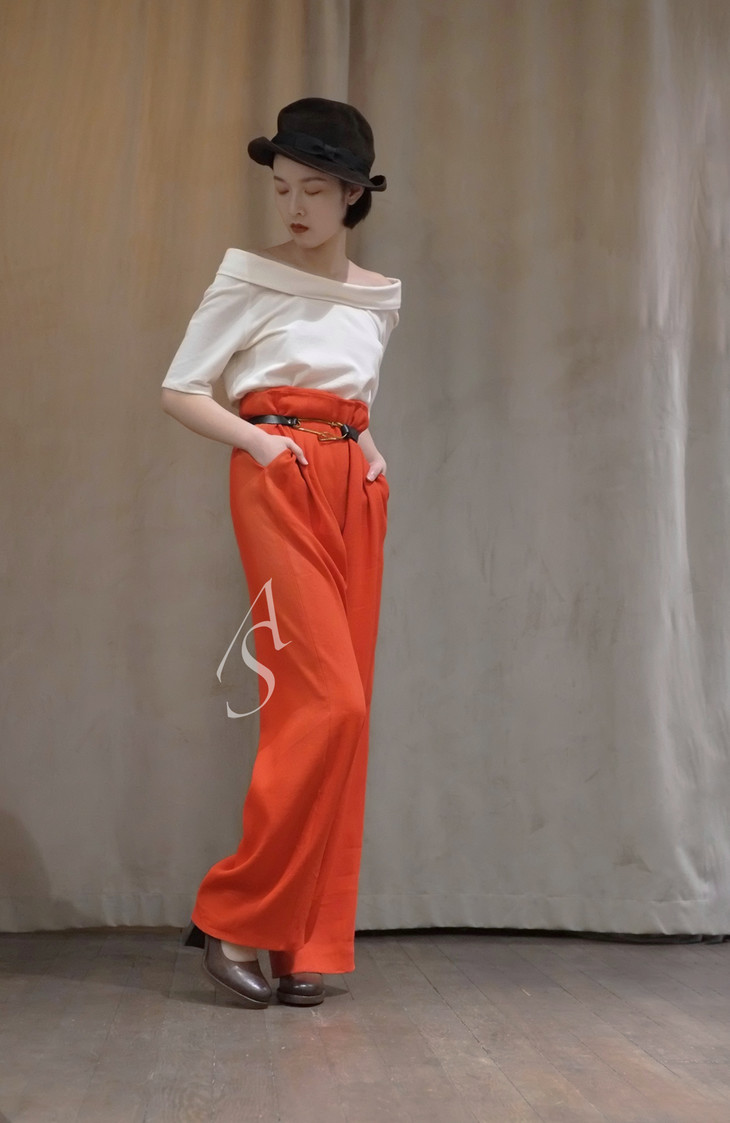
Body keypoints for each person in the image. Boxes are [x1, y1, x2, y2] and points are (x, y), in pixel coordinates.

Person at [160, 97, 402, 1008]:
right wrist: (261, 445)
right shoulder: (250, 277)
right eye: (282, 188)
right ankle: (234, 915)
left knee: (342, 716)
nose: (294, 207)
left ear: (352, 195)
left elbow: (351, 396)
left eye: (314, 189)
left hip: (354, 490)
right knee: (327, 703)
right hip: (278, 476)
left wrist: (371, 451)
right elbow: (182, 389)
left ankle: (306, 941)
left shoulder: (378, 295)